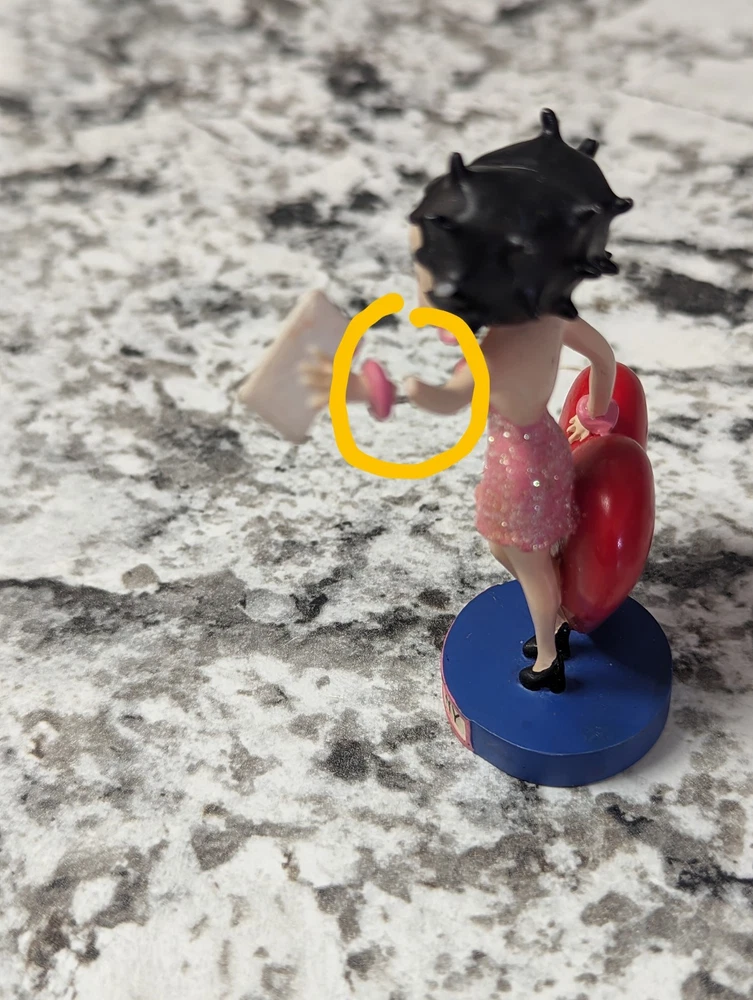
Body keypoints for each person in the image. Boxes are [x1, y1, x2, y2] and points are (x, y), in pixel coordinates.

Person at [302, 109, 630, 693]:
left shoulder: (491, 356)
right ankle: (553, 620)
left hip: (522, 466)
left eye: (426, 271)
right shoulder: (553, 317)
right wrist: (596, 412)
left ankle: (548, 656)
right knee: (509, 550)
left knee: (525, 560)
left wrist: (367, 389)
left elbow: (440, 400)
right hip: (540, 448)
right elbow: (604, 358)